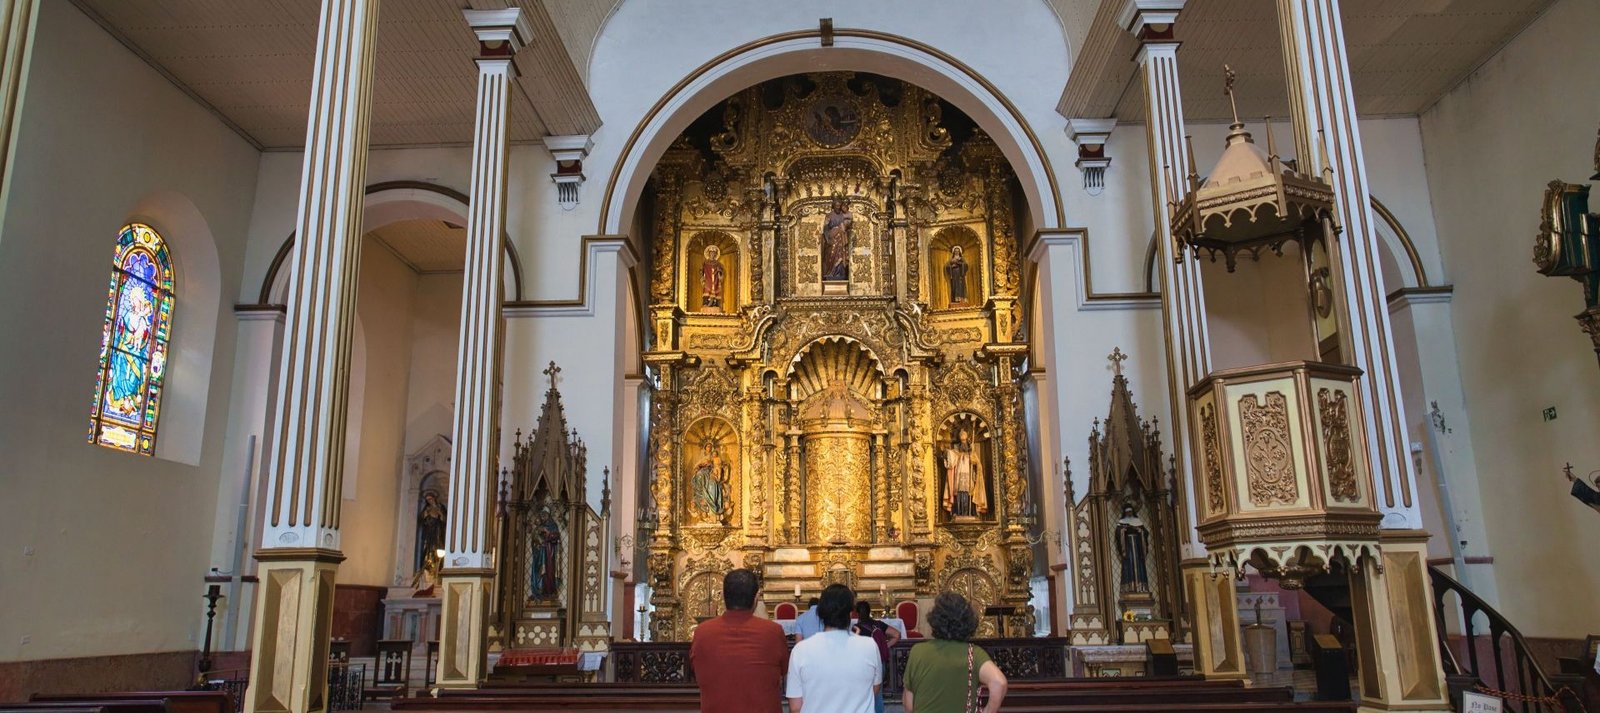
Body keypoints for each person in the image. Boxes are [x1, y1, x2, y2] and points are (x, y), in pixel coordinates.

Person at [690, 569, 790, 713]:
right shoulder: (773, 632)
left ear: (723, 596)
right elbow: (783, 674)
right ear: (756, 597)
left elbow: (697, 672)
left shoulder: (702, 632)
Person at [903, 592, 1008, 713]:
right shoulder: (974, 654)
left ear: (934, 620)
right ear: (968, 621)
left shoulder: (917, 651)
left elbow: (909, 705)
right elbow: (999, 683)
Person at [786, 583, 882, 713]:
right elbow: (874, 688)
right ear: (850, 613)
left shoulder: (800, 650)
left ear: (821, 613)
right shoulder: (869, 645)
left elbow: (795, 707)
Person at [852, 601, 901, 713]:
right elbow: (897, 634)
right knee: (878, 695)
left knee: (863, 696)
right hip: (879, 661)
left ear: (857, 613)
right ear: (870, 611)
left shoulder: (856, 628)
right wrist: (884, 646)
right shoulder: (878, 624)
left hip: (863, 665)